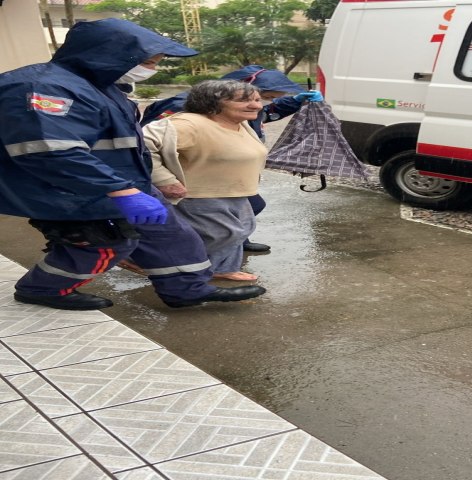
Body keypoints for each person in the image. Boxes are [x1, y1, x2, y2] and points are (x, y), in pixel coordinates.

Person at [0, 18, 265, 310]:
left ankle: (188, 290)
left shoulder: (103, 87)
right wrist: (122, 192)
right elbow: (49, 150)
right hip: (72, 190)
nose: (152, 68)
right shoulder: (44, 87)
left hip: (125, 184)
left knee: (174, 236)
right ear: (108, 55)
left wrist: (136, 187)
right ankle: (42, 289)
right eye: (149, 61)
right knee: (106, 244)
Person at [140, 65, 324, 253]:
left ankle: (227, 249)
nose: (260, 105)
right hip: (198, 180)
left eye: (265, 99)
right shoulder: (184, 109)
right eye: (268, 97)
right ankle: (182, 255)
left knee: (241, 218)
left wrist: (294, 101)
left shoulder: (239, 107)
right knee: (225, 224)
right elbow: (148, 142)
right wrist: (164, 179)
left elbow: (262, 116)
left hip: (229, 173)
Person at [143, 80, 269, 282]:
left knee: (242, 230)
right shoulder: (189, 123)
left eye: (256, 99)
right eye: (244, 100)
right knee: (225, 233)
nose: (256, 105)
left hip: (235, 191)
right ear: (212, 103)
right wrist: (163, 179)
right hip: (198, 194)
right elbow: (142, 144)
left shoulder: (239, 123)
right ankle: (158, 262)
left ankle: (221, 268)